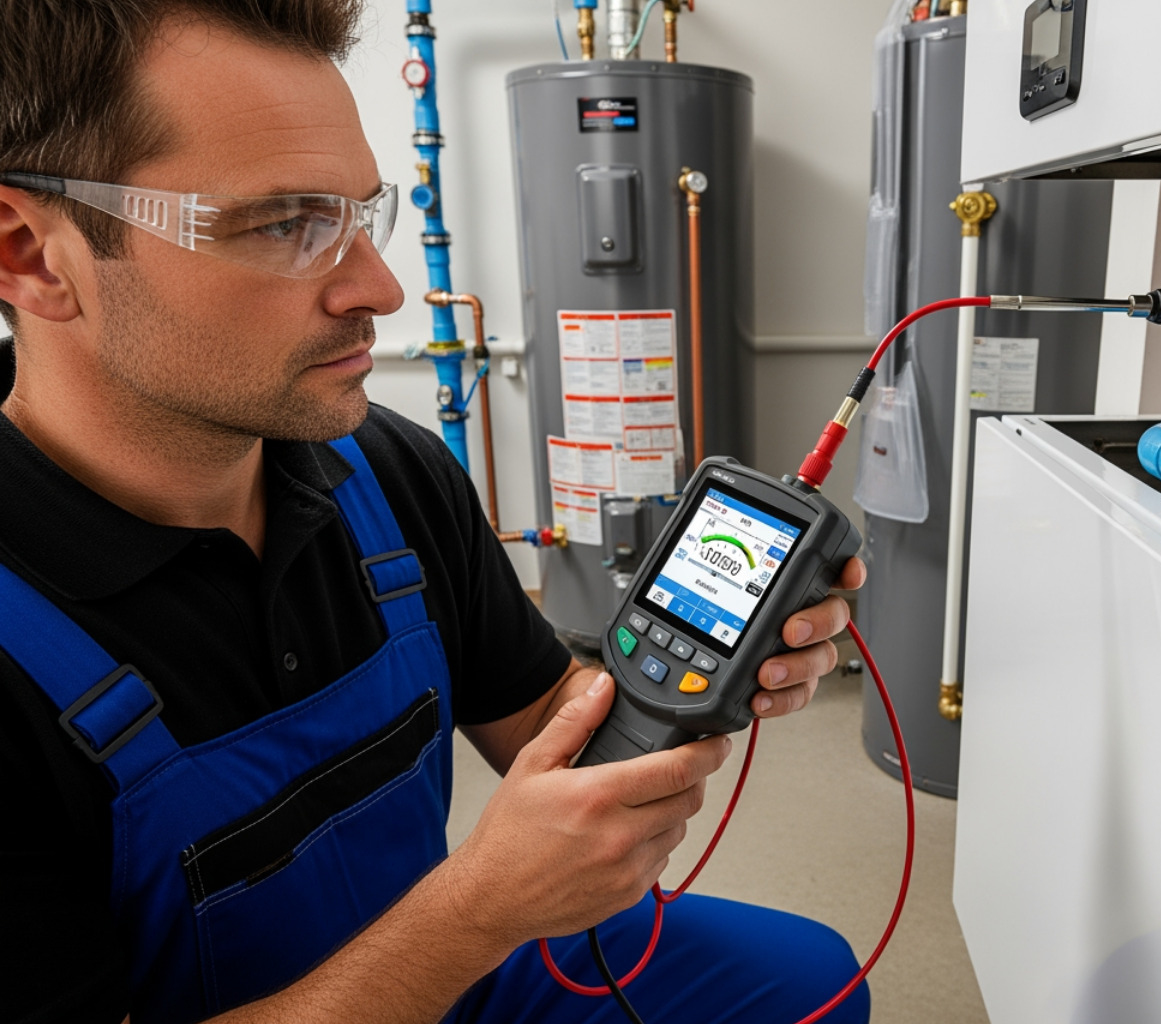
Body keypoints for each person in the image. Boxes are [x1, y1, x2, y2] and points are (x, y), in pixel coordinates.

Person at [0, 2, 869, 1022]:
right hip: (434, 948)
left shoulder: (385, 471)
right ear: (31, 253)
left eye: (360, 215)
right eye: (283, 224)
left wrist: (700, 680)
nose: (381, 290)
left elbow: (545, 720)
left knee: (807, 983)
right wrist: (478, 912)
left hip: (439, 961)